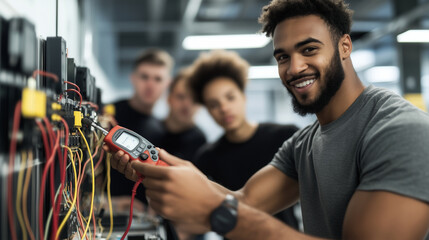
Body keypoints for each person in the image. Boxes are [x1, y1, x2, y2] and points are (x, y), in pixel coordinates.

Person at [106, 0, 429, 239]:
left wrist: (215, 212)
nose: (294, 67)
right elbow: (244, 201)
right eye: (283, 56)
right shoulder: (305, 143)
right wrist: (162, 173)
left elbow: (224, 209)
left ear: (345, 46)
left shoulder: (401, 131)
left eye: (309, 49)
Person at [187, 50, 299, 232]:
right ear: (207, 111)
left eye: (230, 97)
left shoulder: (285, 136)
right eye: (214, 104)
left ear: (243, 96)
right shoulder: (207, 157)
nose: (224, 108)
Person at [109, 49, 173, 211]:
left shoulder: (163, 130)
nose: (150, 84)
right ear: (133, 78)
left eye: (158, 79)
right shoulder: (108, 114)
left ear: (167, 84)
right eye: (144, 77)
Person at [161, 67, 207, 161]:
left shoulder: (200, 143)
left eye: (194, 99)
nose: (187, 104)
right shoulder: (150, 130)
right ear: (169, 98)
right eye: (181, 97)